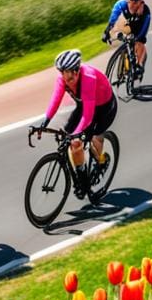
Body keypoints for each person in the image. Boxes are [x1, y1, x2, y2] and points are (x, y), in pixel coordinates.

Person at [33, 49, 117, 199]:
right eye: (64, 74)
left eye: (70, 76)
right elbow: (56, 100)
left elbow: (88, 115)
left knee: (92, 136)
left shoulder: (88, 78)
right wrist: (45, 121)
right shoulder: (63, 79)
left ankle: (101, 161)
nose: (67, 79)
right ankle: (82, 178)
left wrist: (76, 134)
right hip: (84, 106)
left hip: (104, 108)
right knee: (70, 139)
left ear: (77, 70)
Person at [102, 0, 151, 80]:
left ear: (140, 0)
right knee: (120, 32)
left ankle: (139, 66)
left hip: (139, 26)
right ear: (127, 0)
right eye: (130, 1)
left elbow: (144, 29)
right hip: (126, 24)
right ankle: (124, 58)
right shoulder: (120, 5)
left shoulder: (145, 11)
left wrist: (138, 39)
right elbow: (113, 20)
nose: (133, 4)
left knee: (140, 43)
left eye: (136, 1)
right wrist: (106, 32)